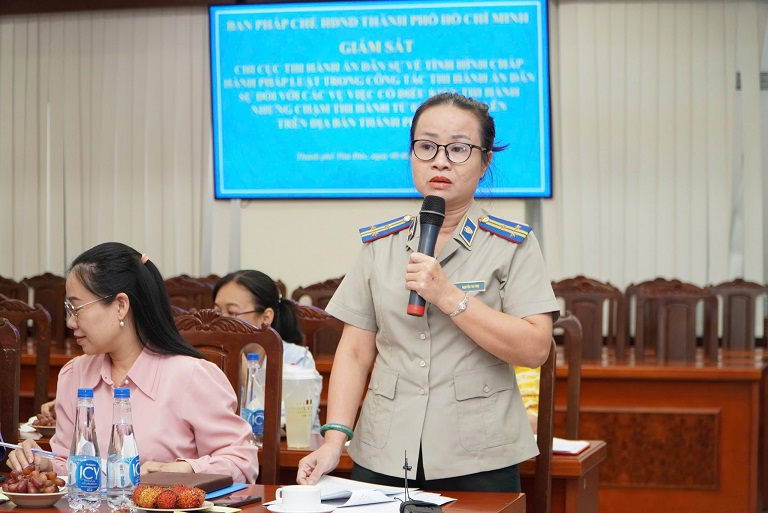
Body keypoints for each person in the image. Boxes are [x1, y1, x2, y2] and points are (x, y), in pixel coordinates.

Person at [296, 92, 559, 492]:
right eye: (427, 146)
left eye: (458, 148)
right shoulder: (380, 245)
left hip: (479, 455)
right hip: (384, 450)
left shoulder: (511, 245)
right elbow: (354, 352)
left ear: (485, 161)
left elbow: (535, 348)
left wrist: (450, 297)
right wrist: (334, 440)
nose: (440, 161)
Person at [7, 242, 259, 482]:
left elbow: (242, 463)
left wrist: (184, 469)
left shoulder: (191, 376)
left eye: (77, 309)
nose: (70, 322)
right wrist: (46, 464)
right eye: (68, 310)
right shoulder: (74, 375)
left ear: (120, 305)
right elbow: (69, 463)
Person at [212, 270, 323, 434]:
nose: (221, 321)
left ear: (266, 317)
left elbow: (289, 424)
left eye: (232, 312)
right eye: (216, 312)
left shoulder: (297, 359)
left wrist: (247, 380)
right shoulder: (211, 358)